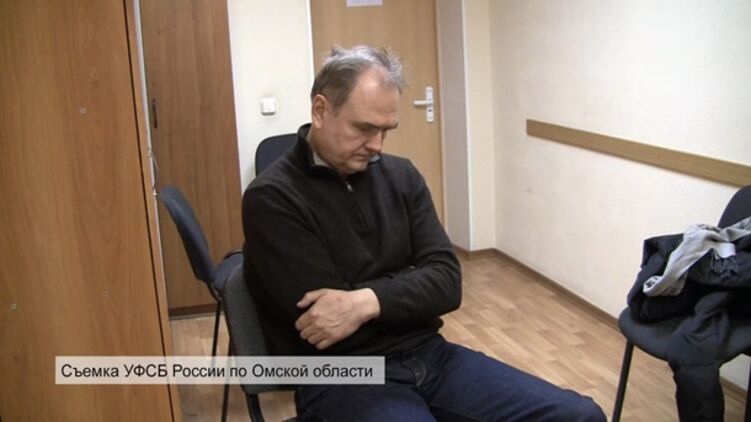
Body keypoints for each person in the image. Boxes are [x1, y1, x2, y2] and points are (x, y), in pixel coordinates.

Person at [242, 45, 606, 422]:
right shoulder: (272, 197)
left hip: (429, 354)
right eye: (364, 128)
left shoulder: (402, 176)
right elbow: (324, 324)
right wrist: (410, 288)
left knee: (580, 415)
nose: (377, 146)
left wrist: (365, 301)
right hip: (343, 375)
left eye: (386, 131)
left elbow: (447, 282)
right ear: (320, 110)